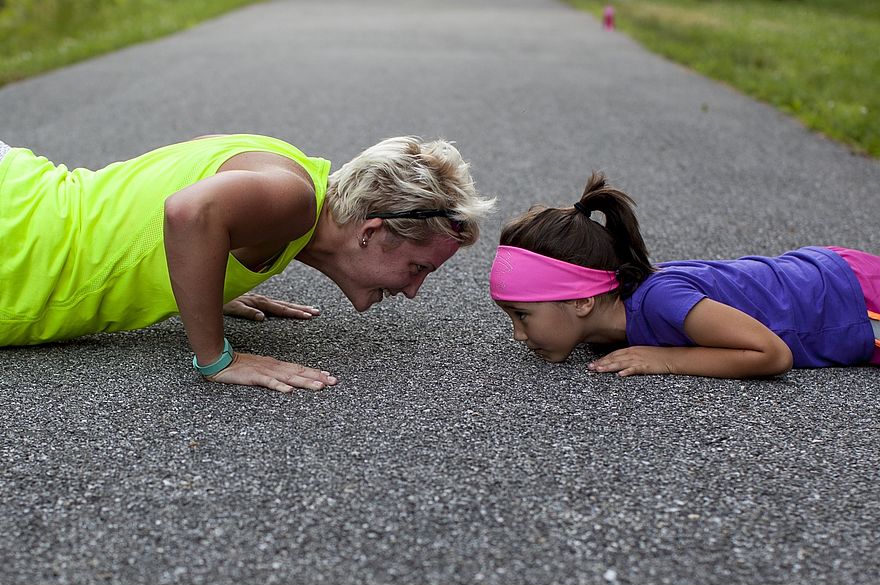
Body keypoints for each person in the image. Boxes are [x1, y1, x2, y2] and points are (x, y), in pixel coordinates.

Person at [0, 134, 494, 392]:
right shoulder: (294, 199)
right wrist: (217, 357)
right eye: (418, 268)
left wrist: (204, 280)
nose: (413, 291)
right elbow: (188, 211)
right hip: (16, 238)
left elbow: (161, 205)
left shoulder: (293, 182)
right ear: (371, 232)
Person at [490, 172, 880, 379]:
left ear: (581, 300)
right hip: (833, 275)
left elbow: (772, 354)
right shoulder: (610, 323)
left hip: (854, 300)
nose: (518, 335)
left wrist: (668, 360)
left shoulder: (660, 300)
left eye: (523, 315)